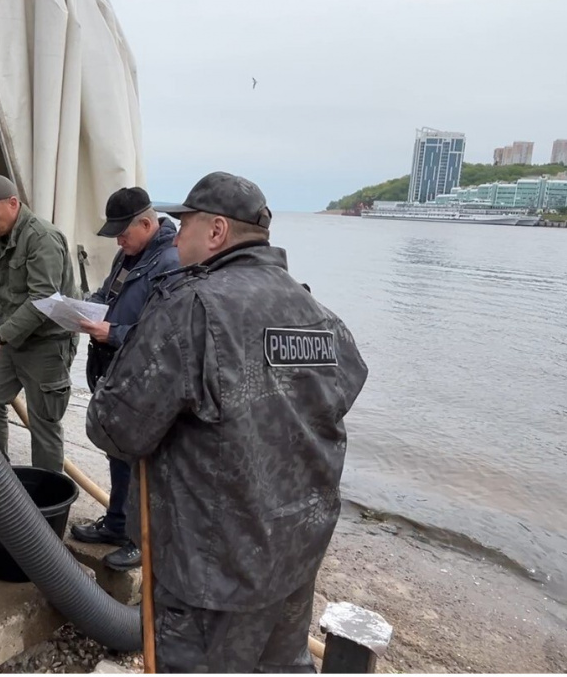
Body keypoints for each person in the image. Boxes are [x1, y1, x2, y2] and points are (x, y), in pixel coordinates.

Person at [85, 172, 369, 673]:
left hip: (210, 572)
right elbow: (347, 382)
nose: (179, 233)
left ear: (216, 231)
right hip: (296, 552)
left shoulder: (192, 308)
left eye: (186, 222)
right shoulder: (315, 311)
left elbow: (114, 428)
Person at [68, 186, 180, 572]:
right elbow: (109, 294)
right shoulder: (128, 254)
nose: (118, 240)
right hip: (115, 371)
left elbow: (166, 334)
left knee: (140, 461)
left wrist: (112, 333)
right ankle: (116, 524)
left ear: (147, 223)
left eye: (123, 232)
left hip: (144, 378)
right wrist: (82, 307)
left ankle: (139, 540)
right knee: (116, 452)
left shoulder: (171, 260)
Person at [0, 174, 78, 473]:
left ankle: (45, 505)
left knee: (44, 427)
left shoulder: (42, 238)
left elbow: (45, 300)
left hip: (47, 345)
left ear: (13, 203)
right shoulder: (2, 239)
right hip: (14, 341)